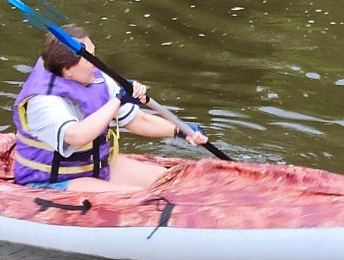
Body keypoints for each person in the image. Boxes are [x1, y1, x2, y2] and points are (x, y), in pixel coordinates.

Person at [12, 25, 208, 192]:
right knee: (145, 198)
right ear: (67, 69)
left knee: (173, 185)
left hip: (95, 166)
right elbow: (76, 136)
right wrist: (118, 100)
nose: (96, 64)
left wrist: (181, 131)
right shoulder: (43, 100)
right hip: (53, 179)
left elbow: (137, 121)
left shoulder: (98, 79)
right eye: (89, 59)